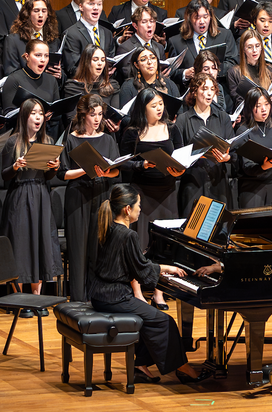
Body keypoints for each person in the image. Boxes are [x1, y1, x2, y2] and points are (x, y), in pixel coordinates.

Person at [86, 183, 213, 384]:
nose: (140, 209)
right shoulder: (128, 234)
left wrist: (160, 267)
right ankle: (183, 367)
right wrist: (165, 268)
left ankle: (140, 365)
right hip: (115, 296)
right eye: (138, 205)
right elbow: (143, 271)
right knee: (164, 321)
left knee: (148, 319)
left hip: (99, 294)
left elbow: (135, 263)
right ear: (128, 209)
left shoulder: (108, 227)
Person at [120, 88, 184, 309]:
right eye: (154, 105)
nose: (159, 108)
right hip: (142, 193)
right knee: (140, 243)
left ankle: (159, 292)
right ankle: (137, 292)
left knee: (164, 244)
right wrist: (141, 164)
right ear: (143, 108)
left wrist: (179, 170)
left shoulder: (172, 129)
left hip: (167, 191)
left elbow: (182, 157)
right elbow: (123, 162)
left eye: (160, 104)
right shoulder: (132, 132)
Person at [0, 99, 62, 314]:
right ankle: (20, 300)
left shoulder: (47, 141)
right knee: (21, 244)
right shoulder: (13, 142)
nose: (38, 117)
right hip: (20, 194)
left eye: (40, 113)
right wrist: (15, 167)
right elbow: (3, 176)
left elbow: (49, 176)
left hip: (41, 194)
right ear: (25, 116)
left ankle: (37, 298)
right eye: (33, 113)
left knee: (40, 242)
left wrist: (54, 167)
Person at [57, 94, 120, 303]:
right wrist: (85, 170)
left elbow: (115, 171)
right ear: (83, 114)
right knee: (78, 250)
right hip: (78, 195)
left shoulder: (108, 139)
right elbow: (63, 174)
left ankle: (96, 296)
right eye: (92, 114)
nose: (96, 119)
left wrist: (104, 172)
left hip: (101, 194)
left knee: (98, 248)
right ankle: (77, 299)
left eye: (100, 114)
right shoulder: (71, 138)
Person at [174, 73, 234, 215]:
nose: (209, 93)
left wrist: (227, 158)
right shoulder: (183, 120)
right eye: (204, 88)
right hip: (193, 184)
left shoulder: (223, 117)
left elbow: (232, 149)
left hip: (218, 183)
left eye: (212, 89)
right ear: (194, 91)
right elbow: (177, 153)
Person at [235, 87, 272, 209]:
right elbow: (245, 166)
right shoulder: (243, 131)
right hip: (252, 188)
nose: (264, 109)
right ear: (250, 108)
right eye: (258, 105)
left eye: (266, 104)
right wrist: (263, 167)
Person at [169, 0, 238, 79]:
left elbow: (233, 63)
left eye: (205, 17)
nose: (202, 21)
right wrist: (184, 74)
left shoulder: (225, 35)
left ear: (211, 17)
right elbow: (171, 72)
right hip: (190, 88)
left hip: (219, 87)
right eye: (197, 17)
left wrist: (211, 69)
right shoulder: (176, 42)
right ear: (189, 19)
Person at [60, 0, 114, 78]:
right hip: (83, 87)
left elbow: (111, 60)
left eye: (99, 4)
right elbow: (72, 68)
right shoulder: (71, 34)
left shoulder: (107, 33)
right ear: (81, 6)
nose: (96, 8)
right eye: (91, 4)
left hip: (104, 85)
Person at [2, 0, 62, 78]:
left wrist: (59, 75)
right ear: (27, 14)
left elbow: (64, 73)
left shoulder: (54, 40)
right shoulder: (13, 40)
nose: (40, 15)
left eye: (44, 11)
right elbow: (11, 73)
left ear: (48, 15)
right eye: (36, 11)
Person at [1, 39, 60, 112]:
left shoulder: (51, 80)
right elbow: (8, 113)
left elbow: (57, 115)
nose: (43, 60)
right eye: (38, 55)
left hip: (47, 123)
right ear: (27, 56)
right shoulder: (14, 79)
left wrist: (50, 114)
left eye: (46, 56)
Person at [63, 44, 120, 115]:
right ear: (86, 62)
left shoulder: (112, 85)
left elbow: (115, 116)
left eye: (102, 60)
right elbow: (71, 118)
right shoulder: (73, 87)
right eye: (95, 60)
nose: (100, 63)